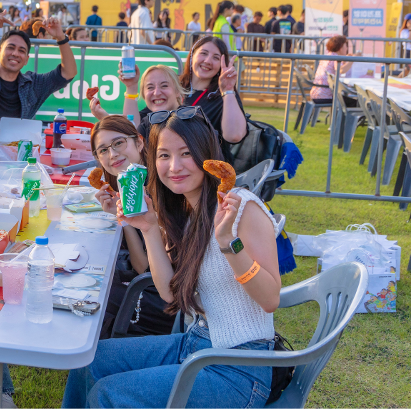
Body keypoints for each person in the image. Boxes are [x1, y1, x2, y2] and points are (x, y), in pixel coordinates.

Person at [62, 107, 281, 408]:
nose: (174, 166)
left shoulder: (241, 207)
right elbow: (169, 294)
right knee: (88, 360)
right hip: (196, 344)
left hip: (240, 368)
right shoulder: (185, 213)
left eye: (186, 153)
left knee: (109, 394)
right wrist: (151, 229)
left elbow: (270, 299)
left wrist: (230, 243)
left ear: (207, 156)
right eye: (164, 155)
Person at [90, 113, 178, 339]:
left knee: (92, 292)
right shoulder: (132, 188)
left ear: (139, 142)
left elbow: (156, 279)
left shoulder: (163, 187)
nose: (112, 154)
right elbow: (142, 267)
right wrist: (124, 219)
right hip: (151, 284)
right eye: (103, 150)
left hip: (171, 306)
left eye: (119, 143)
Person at [0, 11, 77, 158]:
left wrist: (61, 37)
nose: (15, 53)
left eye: (21, 51)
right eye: (10, 47)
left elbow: (68, 72)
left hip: (16, 163)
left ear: (26, 59)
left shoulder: (33, 84)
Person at [92, 37, 247, 152]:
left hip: (205, 168)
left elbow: (234, 136)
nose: (207, 61)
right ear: (192, 56)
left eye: (215, 57)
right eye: (203, 53)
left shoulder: (225, 95)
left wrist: (227, 90)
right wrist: (131, 89)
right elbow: (135, 128)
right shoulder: (169, 86)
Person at [310, 35, 355, 106]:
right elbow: (341, 70)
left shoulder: (329, 56)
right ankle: (342, 117)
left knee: (349, 101)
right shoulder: (335, 57)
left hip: (317, 93)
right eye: (346, 46)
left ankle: (339, 117)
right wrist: (352, 60)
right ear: (340, 48)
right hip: (326, 95)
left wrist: (346, 60)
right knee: (356, 104)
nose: (347, 48)